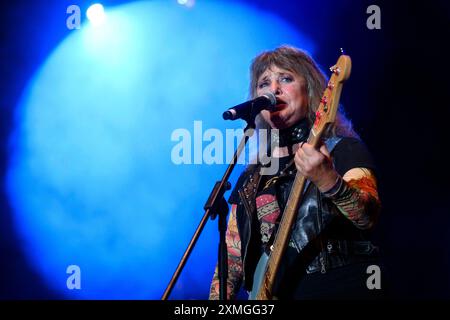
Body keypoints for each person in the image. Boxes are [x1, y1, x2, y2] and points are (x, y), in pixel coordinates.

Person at [209, 45, 384, 300]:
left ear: (310, 89)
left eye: (286, 78)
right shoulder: (250, 178)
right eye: (264, 83)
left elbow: (367, 216)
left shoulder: (342, 151)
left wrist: (328, 180)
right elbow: (232, 261)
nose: (273, 89)